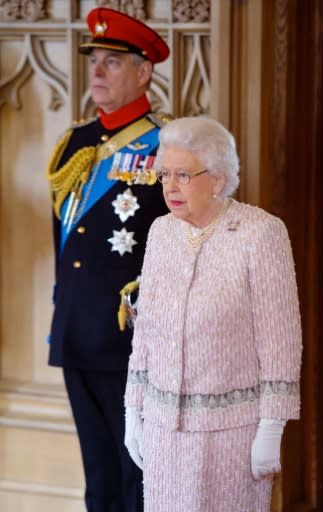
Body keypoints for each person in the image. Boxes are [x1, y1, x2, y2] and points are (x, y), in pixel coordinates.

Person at [124, 116, 302, 512]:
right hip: (163, 431)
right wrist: (133, 410)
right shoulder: (160, 232)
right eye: (164, 173)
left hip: (232, 435)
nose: (169, 186)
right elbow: (146, 333)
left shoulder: (260, 233)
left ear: (218, 179)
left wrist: (272, 426)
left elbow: (281, 340)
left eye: (183, 175)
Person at [45, 7, 170, 512]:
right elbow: (61, 238)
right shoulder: (76, 144)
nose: (96, 71)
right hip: (75, 328)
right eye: (94, 60)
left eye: (112, 62)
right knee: (97, 474)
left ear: (143, 72)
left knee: (135, 475)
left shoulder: (166, 143)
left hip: (130, 337)